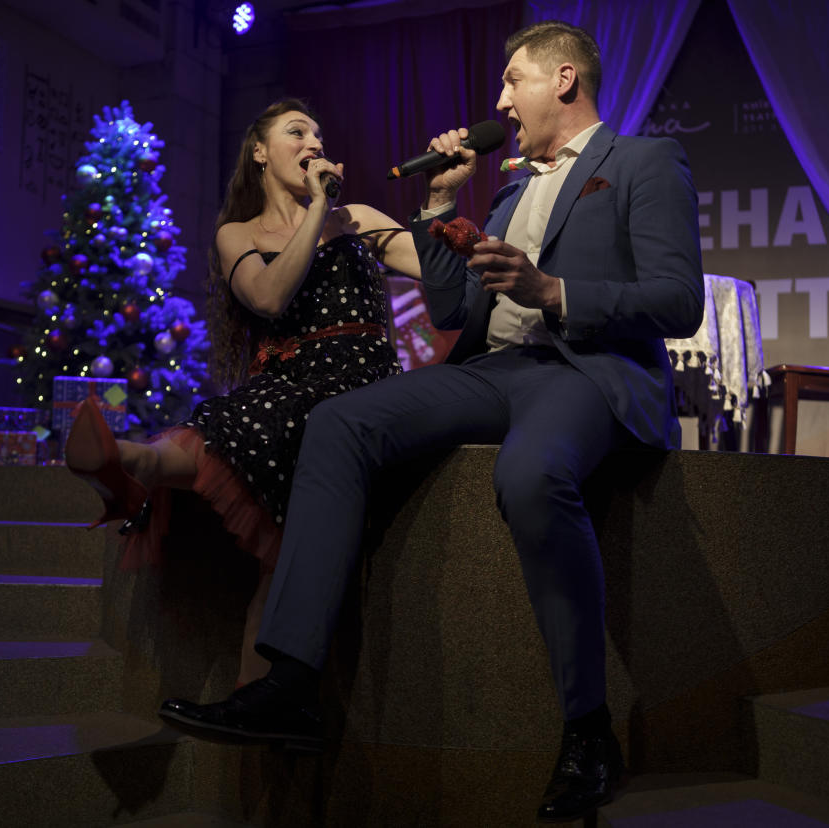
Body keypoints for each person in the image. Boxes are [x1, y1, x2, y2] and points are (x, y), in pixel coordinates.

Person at [157, 21, 705, 823]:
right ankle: (292, 683)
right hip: (493, 371)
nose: (498, 101)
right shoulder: (512, 186)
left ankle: (589, 731)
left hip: (584, 370)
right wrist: (442, 203)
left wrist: (554, 292)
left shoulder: (645, 162)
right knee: (338, 423)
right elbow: (453, 308)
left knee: (529, 473)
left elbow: (678, 300)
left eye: (512, 80)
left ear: (562, 79)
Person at [64, 99, 421, 688]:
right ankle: (130, 458)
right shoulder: (240, 233)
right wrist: (316, 213)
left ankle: (133, 463)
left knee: (276, 511)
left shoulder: (355, 216)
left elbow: (436, 268)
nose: (314, 142)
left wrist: (442, 204)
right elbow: (269, 297)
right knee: (268, 543)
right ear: (259, 151)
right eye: (296, 131)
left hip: (359, 380)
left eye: (319, 133)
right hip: (287, 388)